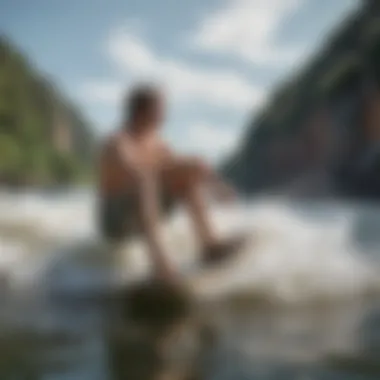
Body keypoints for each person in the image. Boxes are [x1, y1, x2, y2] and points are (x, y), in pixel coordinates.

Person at [98, 84, 245, 282]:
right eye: (159, 110)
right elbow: (132, 171)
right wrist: (162, 170)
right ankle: (161, 267)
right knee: (144, 179)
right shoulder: (118, 141)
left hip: (145, 209)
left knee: (185, 177)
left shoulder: (158, 143)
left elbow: (183, 166)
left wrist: (217, 186)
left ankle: (209, 246)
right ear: (143, 111)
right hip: (116, 222)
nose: (164, 116)